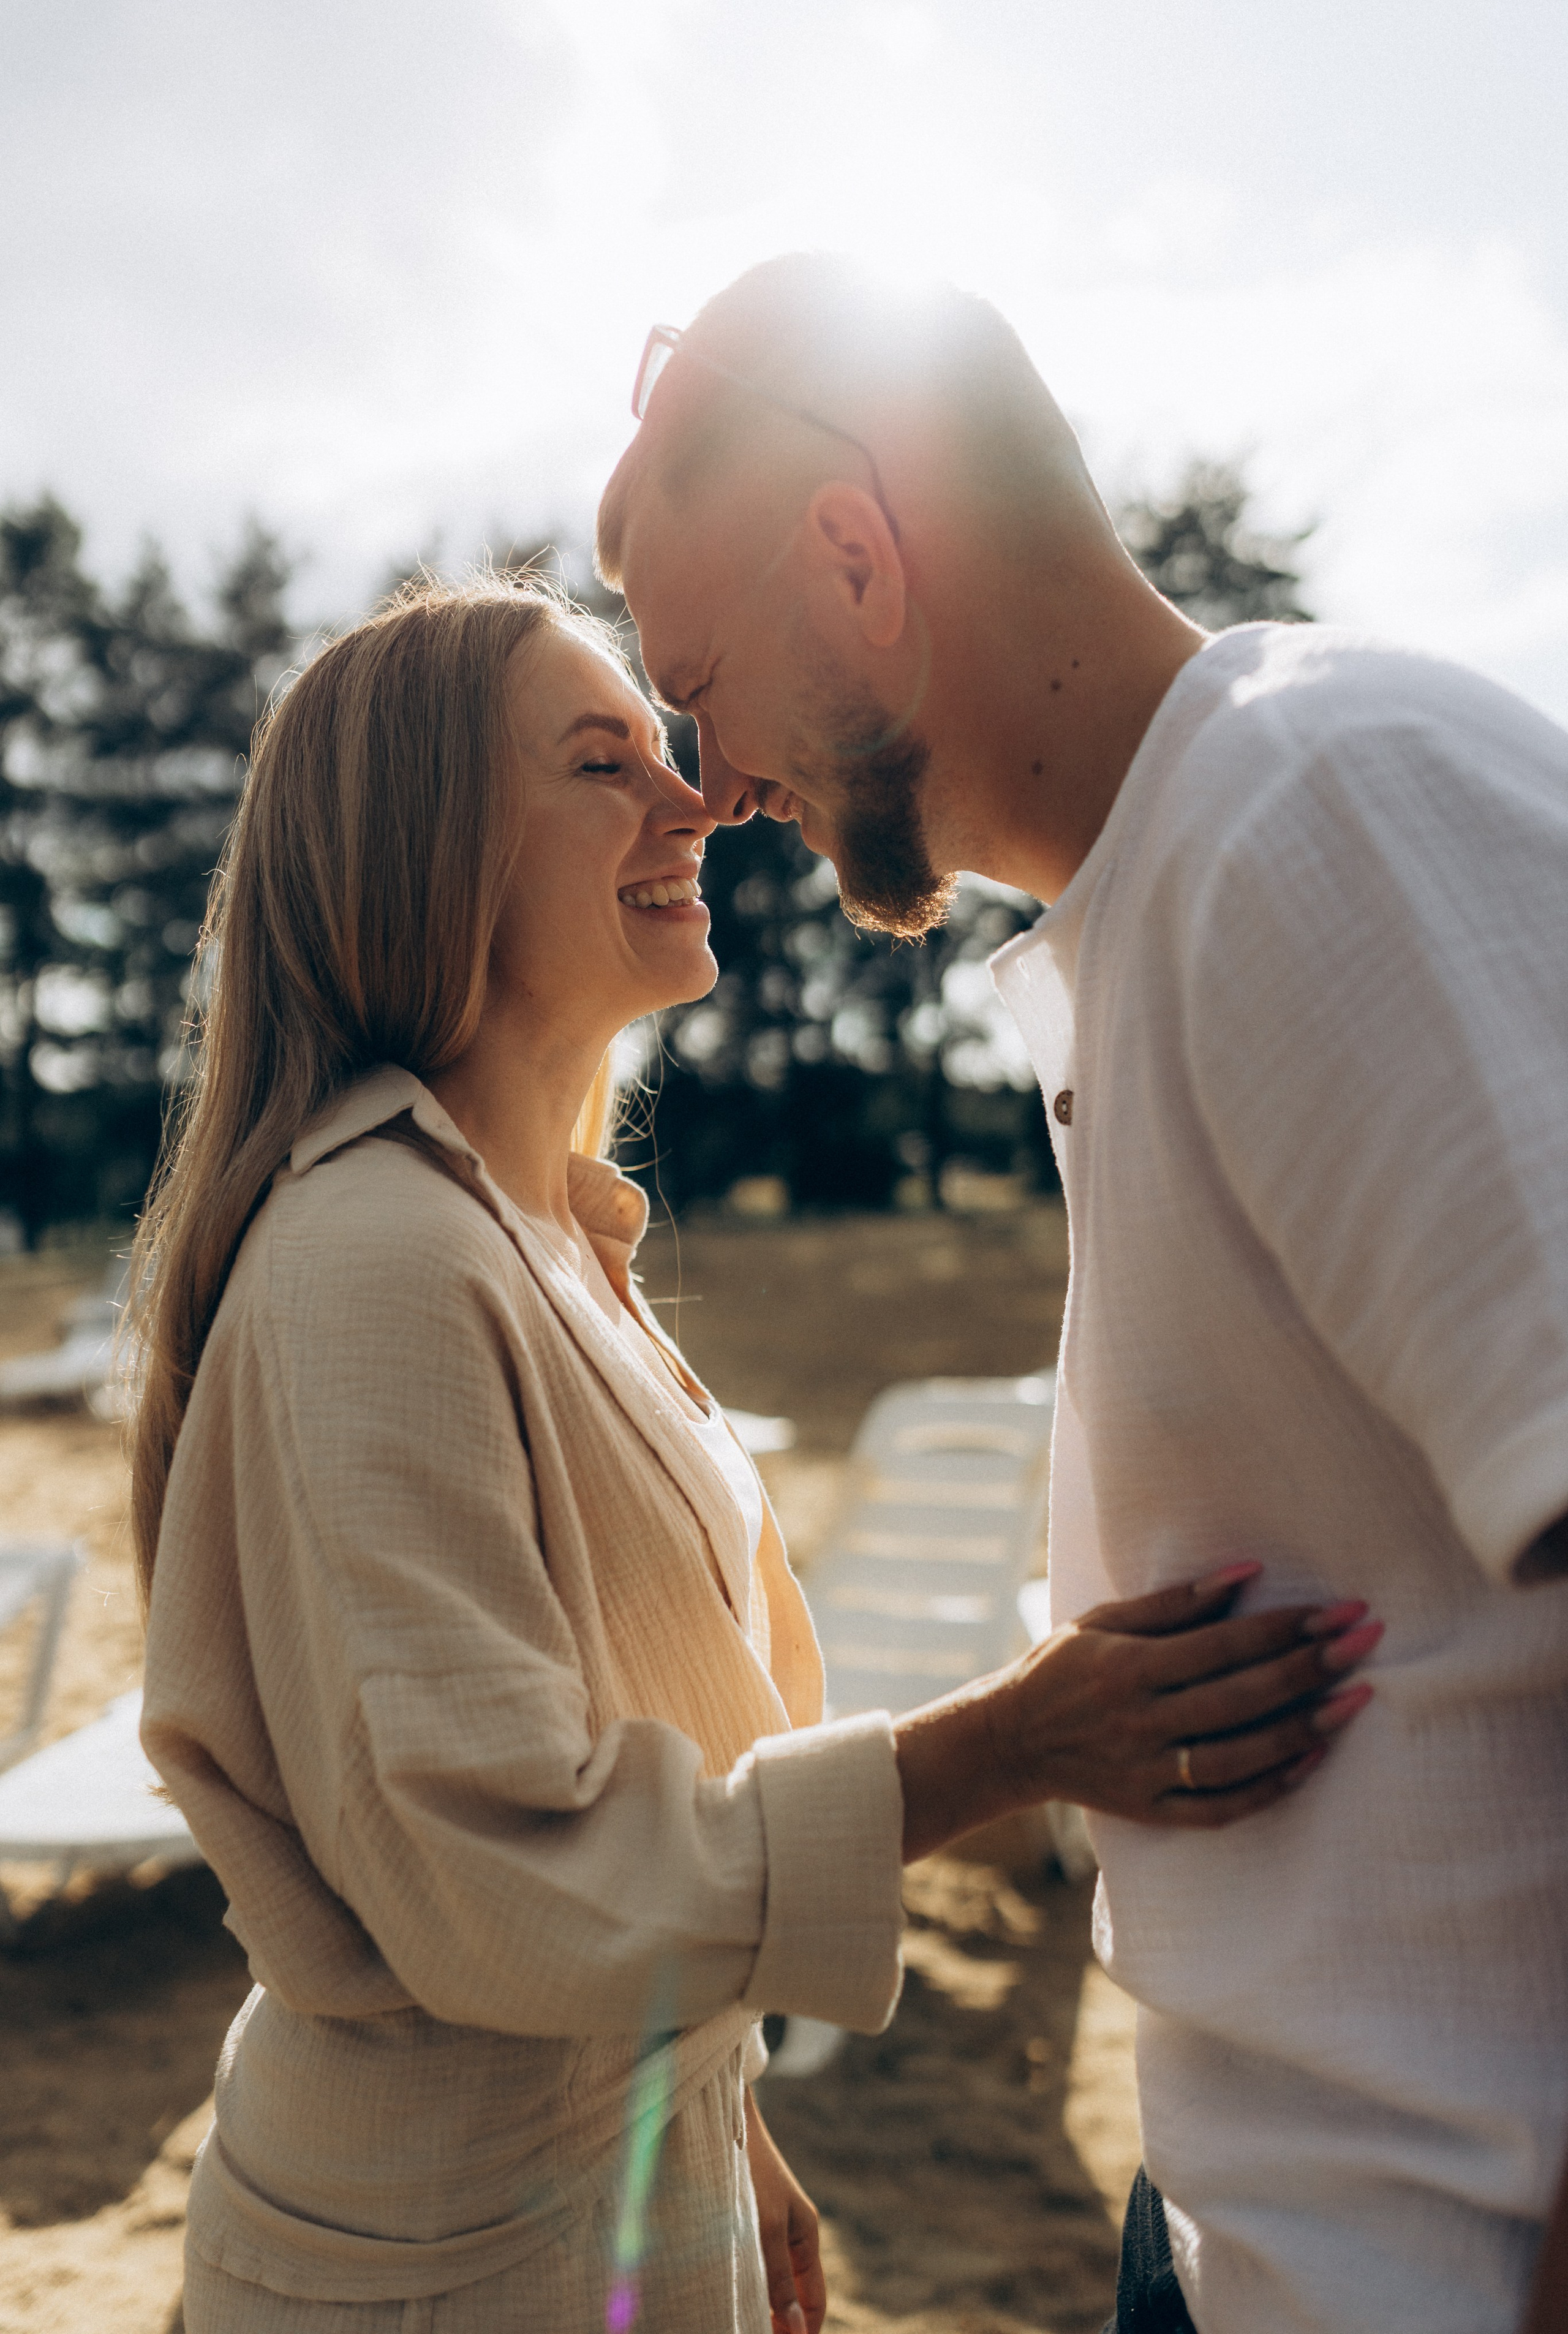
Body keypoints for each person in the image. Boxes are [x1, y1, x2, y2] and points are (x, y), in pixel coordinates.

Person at [134, 575, 1374, 2334]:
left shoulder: (530, 1234)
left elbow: (629, 1756)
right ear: (431, 848)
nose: (695, 797)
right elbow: (494, 1874)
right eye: (600, 761)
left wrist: (720, 2123)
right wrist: (1014, 1743)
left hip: (600, 2188)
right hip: (446, 2264)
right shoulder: (373, 1266)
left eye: (667, 747)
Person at [596, 255, 1568, 2334]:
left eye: (699, 684)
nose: (714, 780)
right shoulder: (1164, 893)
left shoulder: (1319, 812)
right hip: (1252, 2222)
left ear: (858, 556)